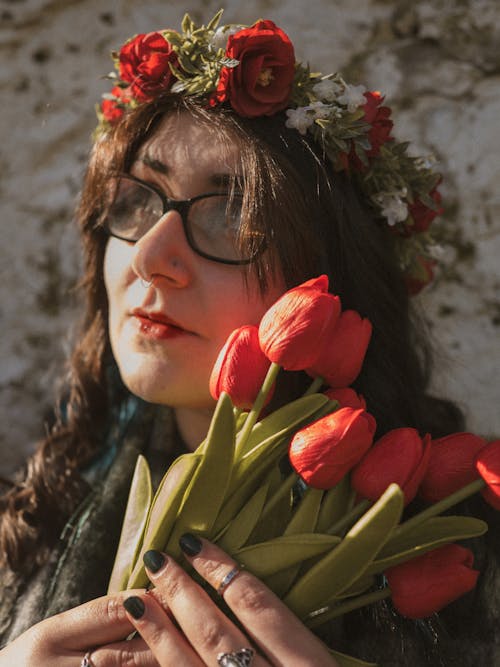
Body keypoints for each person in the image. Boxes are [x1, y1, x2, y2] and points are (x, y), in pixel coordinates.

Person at [0, 12, 498, 667]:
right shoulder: (28, 522)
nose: (153, 253)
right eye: (137, 199)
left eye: (233, 213)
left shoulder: (480, 586)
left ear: (337, 281)